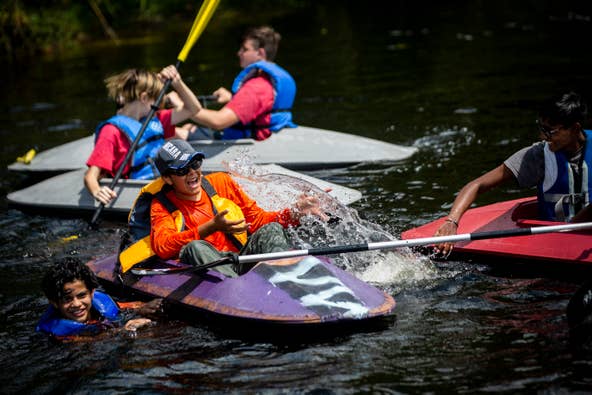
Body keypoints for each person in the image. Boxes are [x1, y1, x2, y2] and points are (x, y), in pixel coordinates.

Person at [118, 139, 326, 276]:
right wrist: (211, 227)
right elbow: (163, 247)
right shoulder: (161, 204)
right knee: (194, 247)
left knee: (270, 231)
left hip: (242, 257)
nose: (192, 172)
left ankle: (286, 277)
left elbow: (259, 220)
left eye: (195, 163)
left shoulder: (221, 182)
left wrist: (295, 212)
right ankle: (239, 289)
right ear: (167, 179)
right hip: (210, 267)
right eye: (182, 170)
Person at [434, 91, 590, 256]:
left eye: (550, 131)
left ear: (575, 128)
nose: (543, 136)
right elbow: (477, 185)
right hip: (552, 246)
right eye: (542, 128)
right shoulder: (538, 156)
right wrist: (452, 221)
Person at [84, 65, 201, 206]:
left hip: (163, 184)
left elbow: (193, 108)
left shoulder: (157, 119)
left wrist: (177, 83)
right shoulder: (111, 131)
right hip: (140, 191)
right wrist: (97, 191)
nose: (159, 104)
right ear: (144, 98)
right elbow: (91, 175)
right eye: (156, 99)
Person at [183, 25, 296, 141]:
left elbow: (218, 121)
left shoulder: (256, 88)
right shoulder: (270, 81)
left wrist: (184, 108)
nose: (239, 53)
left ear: (260, 53)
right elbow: (260, 107)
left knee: (176, 133)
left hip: (244, 144)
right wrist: (232, 98)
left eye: (245, 49)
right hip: (265, 135)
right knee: (188, 127)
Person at [37, 257, 163, 340]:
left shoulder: (99, 302)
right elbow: (90, 341)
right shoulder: (57, 332)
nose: (76, 304)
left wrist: (141, 308)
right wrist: (124, 330)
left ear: (92, 293)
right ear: (54, 302)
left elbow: (121, 308)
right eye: (67, 299)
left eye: (81, 296)